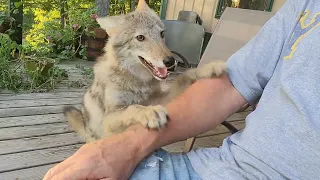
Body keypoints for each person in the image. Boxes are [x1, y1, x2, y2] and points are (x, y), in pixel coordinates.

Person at [44, 0, 320, 179]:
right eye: (142, 38)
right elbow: (230, 83)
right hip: (223, 166)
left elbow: (164, 97)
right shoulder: (305, 6)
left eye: (161, 36)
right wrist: (128, 146)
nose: (163, 51)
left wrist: (190, 77)